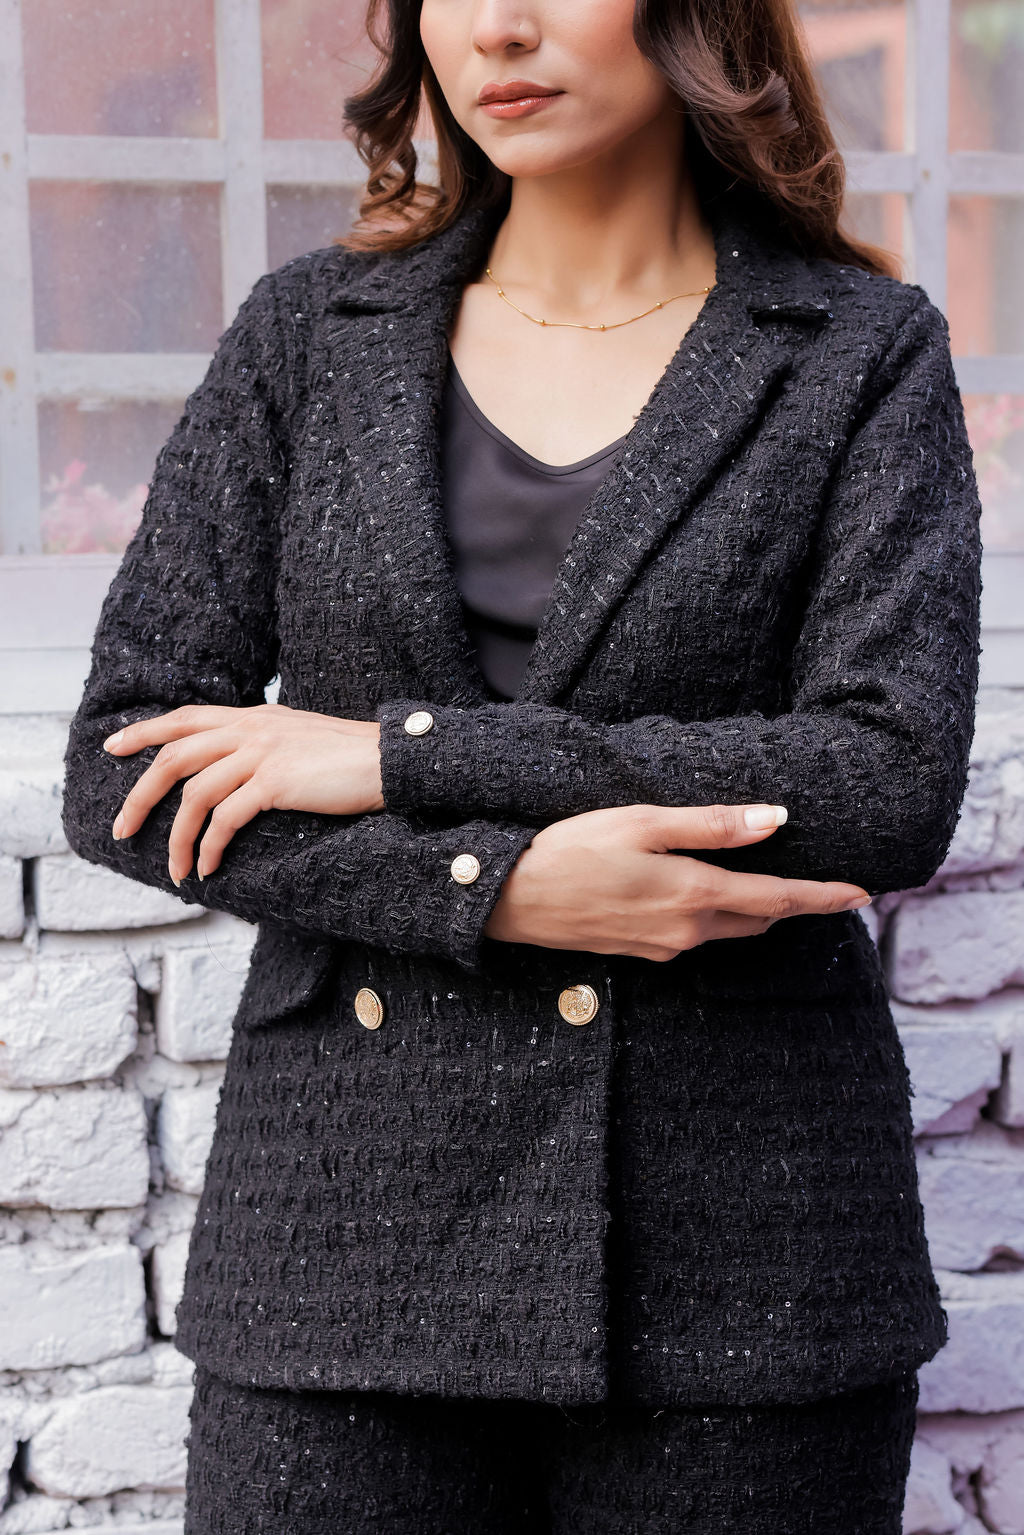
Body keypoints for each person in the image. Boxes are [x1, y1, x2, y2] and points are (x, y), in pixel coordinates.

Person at [60, 0, 983, 1529]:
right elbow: (123, 768)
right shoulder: (311, 334)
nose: (498, 27)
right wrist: (493, 888)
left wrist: (399, 756)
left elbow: (884, 781)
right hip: (344, 1251)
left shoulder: (858, 350)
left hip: (745, 1258)